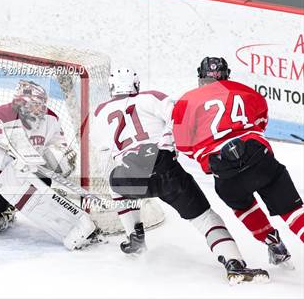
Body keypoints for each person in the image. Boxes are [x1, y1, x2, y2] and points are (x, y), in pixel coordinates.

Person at [94, 67, 269, 284]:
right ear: (136, 84)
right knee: (205, 218)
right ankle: (234, 263)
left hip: (132, 174)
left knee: (115, 182)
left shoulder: (100, 112)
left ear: (112, 88)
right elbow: (179, 119)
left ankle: (135, 235)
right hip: (165, 169)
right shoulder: (151, 97)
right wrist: (168, 145)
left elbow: (101, 153)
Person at [172, 57, 304, 267]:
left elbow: (183, 145)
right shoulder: (246, 91)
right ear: (227, 75)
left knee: (242, 205)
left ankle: (274, 244)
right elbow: (261, 122)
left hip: (223, 170)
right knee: (293, 211)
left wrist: (205, 154)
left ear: (200, 77)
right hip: (258, 157)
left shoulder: (186, 101)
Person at [0, 79, 102, 250]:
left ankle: (11, 207)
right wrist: (7, 153)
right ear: (19, 102)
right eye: (34, 104)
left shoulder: (50, 118)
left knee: (44, 183)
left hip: (32, 174)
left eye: (42, 104)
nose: (40, 109)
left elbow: (58, 145)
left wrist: (61, 157)